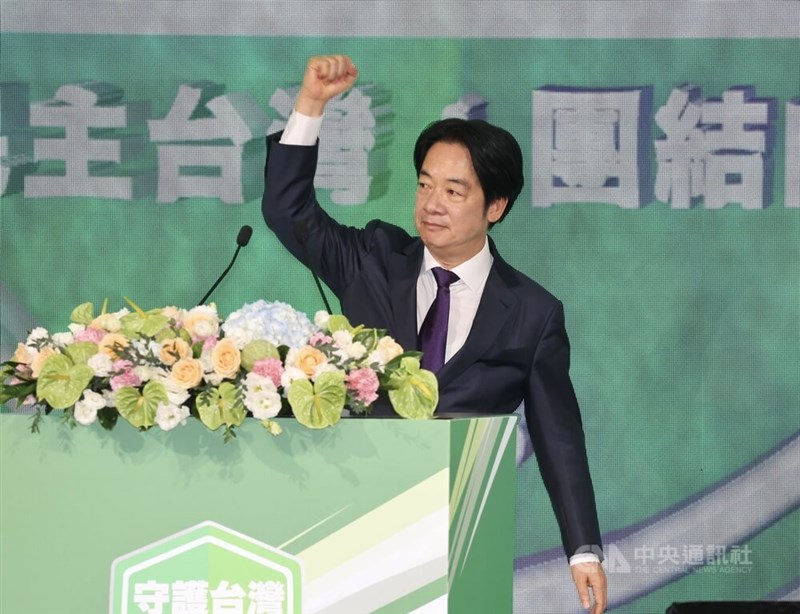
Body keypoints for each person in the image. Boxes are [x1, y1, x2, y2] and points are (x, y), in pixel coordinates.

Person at [262, 55, 608, 614]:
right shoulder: (372, 261)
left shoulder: (531, 312)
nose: (431, 204)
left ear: (495, 206)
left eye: (454, 191)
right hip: (349, 527)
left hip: (462, 538)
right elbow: (286, 209)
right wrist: (311, 104)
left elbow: (558, 436)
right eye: (425, 184)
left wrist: (582, 550)